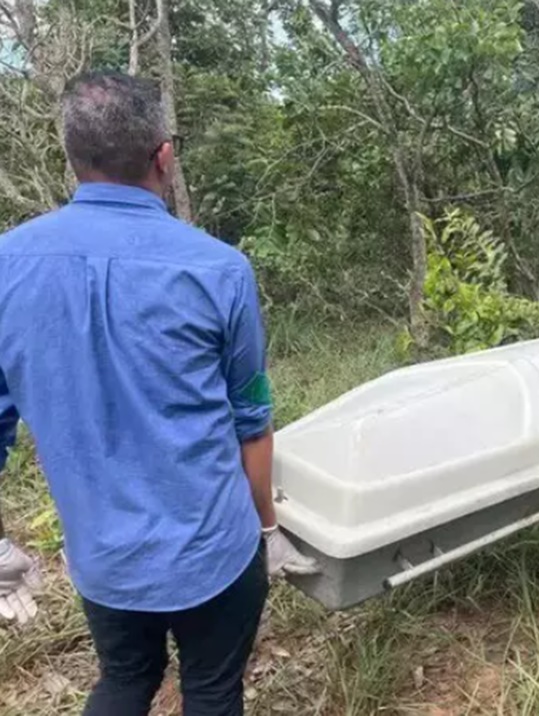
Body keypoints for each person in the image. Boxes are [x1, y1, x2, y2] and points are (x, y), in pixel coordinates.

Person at [0, 71, 319, 715]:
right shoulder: (219, 269)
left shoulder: (9, 264)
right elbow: (251, 419)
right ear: (164, 156)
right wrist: (268, 529)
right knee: (212, 689)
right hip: (213, 553)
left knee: (125, 677)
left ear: (72, 156)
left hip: (104, 560)